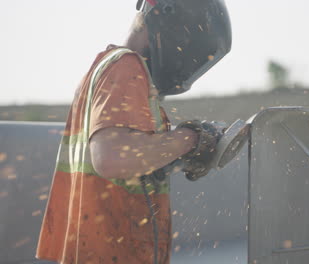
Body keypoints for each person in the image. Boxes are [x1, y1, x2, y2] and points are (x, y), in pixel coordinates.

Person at [36, 0, 232, 263]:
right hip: (111, 251)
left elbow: (130, 157)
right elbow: (112, 158)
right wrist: (191, 139)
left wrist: (176, 154)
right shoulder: (127, 66)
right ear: (167, 20)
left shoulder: (107, 69)